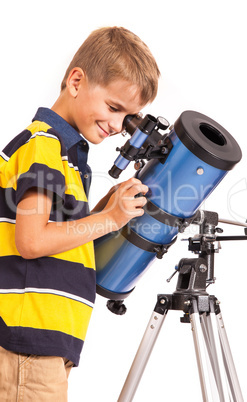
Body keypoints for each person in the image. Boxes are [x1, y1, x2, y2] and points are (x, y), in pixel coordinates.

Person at [0, 26, 160, 401]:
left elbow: (63, 234)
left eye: (129, 117)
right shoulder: (44, 145)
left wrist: (108, 205)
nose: (119, 126)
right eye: (114, 108)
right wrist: (111, 218)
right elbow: (32, 240)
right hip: (28, 341)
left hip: (43, 343)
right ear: (76, 81)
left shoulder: (67, 157)